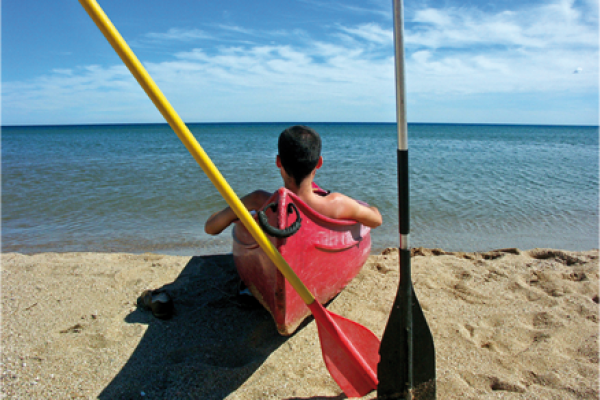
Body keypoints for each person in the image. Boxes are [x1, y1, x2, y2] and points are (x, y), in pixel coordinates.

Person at [204, 125, 382, 235]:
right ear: (319, 163)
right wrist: (370, 208)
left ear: (278, 162)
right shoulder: (337, 203)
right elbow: (376, 220)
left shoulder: (259, 200)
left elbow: (210, 228)